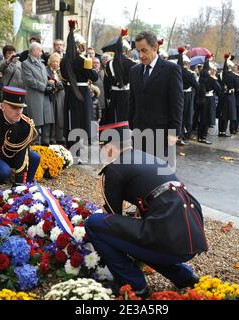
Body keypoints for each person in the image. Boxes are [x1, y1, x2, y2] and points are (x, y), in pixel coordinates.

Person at [85, 122, 207, 298]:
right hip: (191, 236)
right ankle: (184, 277)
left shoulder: (115, 168)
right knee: (144, 231)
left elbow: (112, 218)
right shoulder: (147, 157)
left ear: (110, 148)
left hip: (168, 238)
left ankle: (135, 284)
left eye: (102, 148)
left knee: (95, 224)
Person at [128, 30, 183, 158]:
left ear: (155, 47)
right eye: (138, 51)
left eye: (144, 50)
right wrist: (130, 127)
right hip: (138, 132)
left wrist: (174, 132)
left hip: (161, 134)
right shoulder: (134, 71)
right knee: (139, 172)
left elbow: (177, 103)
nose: (140, 55)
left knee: (157, 174)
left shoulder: (171, 70)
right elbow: (132, 101)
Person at [60, 20, 98, 157]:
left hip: (70, 91)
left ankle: (71, 144)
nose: (83, 47)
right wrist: (90, 66)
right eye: (82, 45)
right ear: (77, 46)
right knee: (83, 119)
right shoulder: (84, 60)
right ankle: (80, 146)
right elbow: (94, 77)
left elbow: (64, 77)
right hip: (82, 92)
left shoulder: (64, 60)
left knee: (72, 119)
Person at [22, 41, 55, 146]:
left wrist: (49, 83)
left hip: (45, 96)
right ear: (33, 51)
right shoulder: (25, 64)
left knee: (47, 121)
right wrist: (44, 87)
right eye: (40, 50)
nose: (41, 52)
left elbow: (43, 79)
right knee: (35, 122)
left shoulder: (41, 63)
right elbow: (29, 80)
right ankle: (34, 146)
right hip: (35, 97)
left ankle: (46, 145)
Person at [103, 29, 137, 123]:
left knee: (114, 117)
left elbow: (106, 82)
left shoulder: (109, 63)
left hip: (114, 94)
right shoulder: (131, 64)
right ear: (125, 50)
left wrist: (108, 97)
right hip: (126, 93)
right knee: (125, 117)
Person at [176, 47, 199, 144]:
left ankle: (178, 135)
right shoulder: (189, 74)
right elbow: (197, 86)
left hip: (177, 94)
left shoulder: (176, 70)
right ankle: (181, 136)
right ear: (186, 63)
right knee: (185, 116)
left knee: (177, 115)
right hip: (186, 96)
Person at [217, 54, 239, 137]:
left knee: (221, 114)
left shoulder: (220, 74)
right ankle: (223, 131)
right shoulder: (234, 76)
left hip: (221, 96)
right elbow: (237, 86)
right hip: (229, 96)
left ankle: (220, 131)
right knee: (226, 114)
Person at [47, 53, 66, 144]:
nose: (55, 64)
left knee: (60, 116)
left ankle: (60, 136)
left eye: (57, 62)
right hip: (51, 95)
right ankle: (52, 137)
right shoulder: (47, 71)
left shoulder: (62, 71)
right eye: (53, 62)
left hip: (61, 96)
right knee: (52, 116)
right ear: (50, 62)